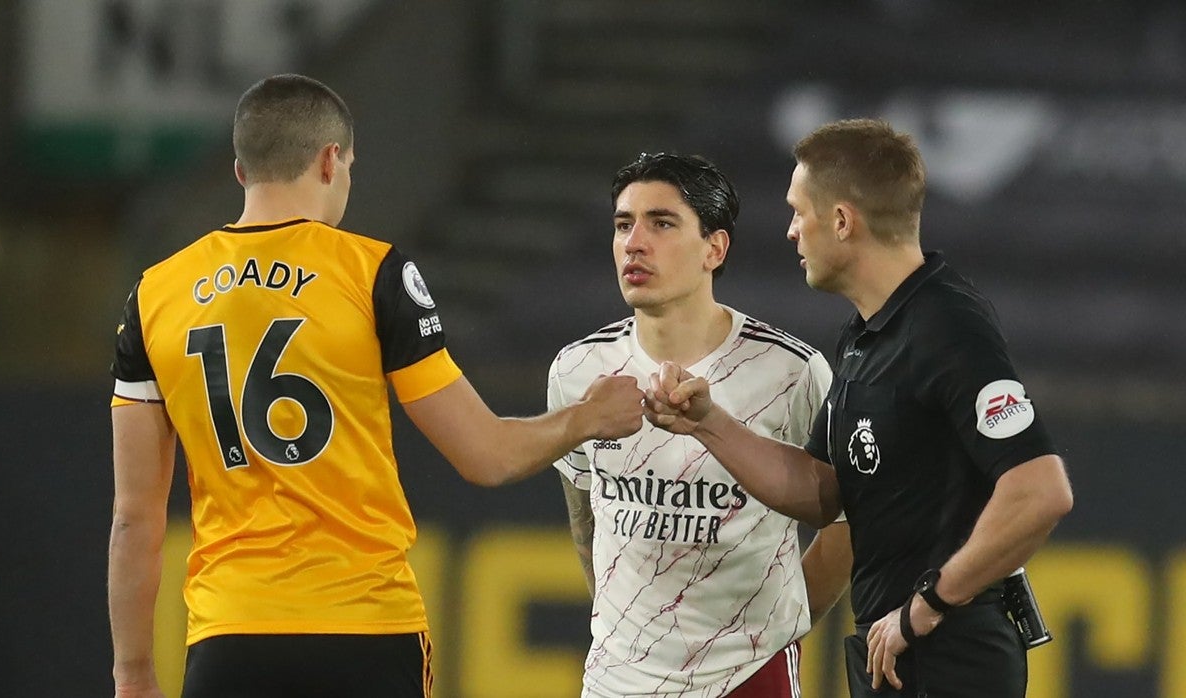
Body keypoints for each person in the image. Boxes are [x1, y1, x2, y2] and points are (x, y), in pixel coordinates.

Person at [107, 74, 645, 698]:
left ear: (240, 171)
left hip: (231, 635)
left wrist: (133, 671)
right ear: (331, 160)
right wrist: (588, 416)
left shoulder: (154, 295)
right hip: (365, 629)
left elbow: (133, 520)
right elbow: (487, 456)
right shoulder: (373, 273)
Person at [642, 119, 1074, 697]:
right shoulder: (867, 335)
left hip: (948, 656)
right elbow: (822, 490)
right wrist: (709, 423)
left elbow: (1040, 491)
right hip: (900, 653)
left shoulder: (946, 325)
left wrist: (927, 604)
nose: (792, 231)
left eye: (800, 212)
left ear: (843, 221)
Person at [549, 152, 852, 698]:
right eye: (623, 225)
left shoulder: (790, 372)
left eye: (661, 223)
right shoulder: (577, 370)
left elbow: (850, 519)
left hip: (746, 677)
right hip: (616, 680)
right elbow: (583, 506)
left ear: (715, 248)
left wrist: (780, 623)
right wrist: (629, 629)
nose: (634, 243)